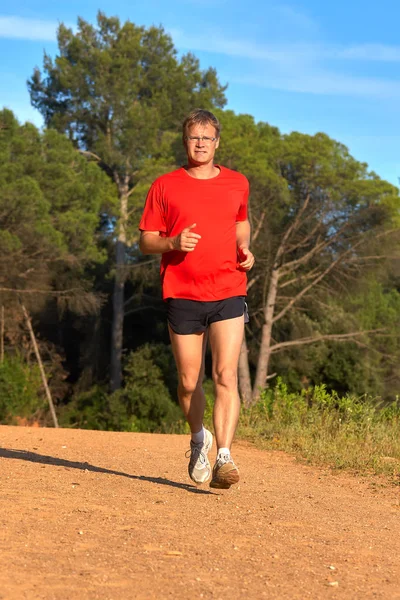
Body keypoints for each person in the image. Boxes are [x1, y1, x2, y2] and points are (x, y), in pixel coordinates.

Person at [139, 109, 254, 489]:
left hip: (228, 288)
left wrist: (245, 248)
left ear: (217, 142)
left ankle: (224, 456)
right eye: (194, 137)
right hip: (183, 292)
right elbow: (145, 240)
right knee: (189, 382)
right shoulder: (165, 186)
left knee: (225, 375)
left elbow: (241, 221)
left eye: (207, 137)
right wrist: (172, 243)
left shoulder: (238, 183)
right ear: (185, 142)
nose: (201, 143)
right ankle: (198, 439)